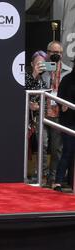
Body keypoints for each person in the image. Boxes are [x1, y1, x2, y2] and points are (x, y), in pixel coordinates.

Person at [41, 41, 67, 187]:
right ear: (47, 52)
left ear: (62, 55)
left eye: (58, 53)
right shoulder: (42, 67)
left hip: (59, 113)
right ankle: (42, 176)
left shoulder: (68, 71)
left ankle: (52, 179)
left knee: (56, 148)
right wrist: (39, 70)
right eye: (53, 52)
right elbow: (33, 82)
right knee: (43, 145)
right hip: (42, 111)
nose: (55, 55)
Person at [53, 60, 75, 192]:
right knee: (67, 150)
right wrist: (63, 105)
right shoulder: (67, 79)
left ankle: (71, 181)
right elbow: (59, 97)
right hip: (68, 121)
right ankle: (58, 181)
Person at [25, 50, 48, 179]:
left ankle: (40, 173)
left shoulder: (44, 81)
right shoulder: (26, 77)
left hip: (38, 118)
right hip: (25, 119)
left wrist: (39, 106)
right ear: (32, 64)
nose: (40, 66)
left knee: (42, 145)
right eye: (38, 63)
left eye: (43, 64)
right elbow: (25, 91)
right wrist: (34, 73)